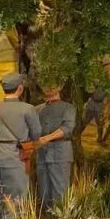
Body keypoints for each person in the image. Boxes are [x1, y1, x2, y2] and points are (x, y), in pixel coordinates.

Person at [0, 72, 43, 219]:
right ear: (20, 88)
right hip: (15, 157)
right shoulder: (27, 109)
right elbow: (36, 133)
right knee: (16, 196)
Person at [36, 84, 76, 212]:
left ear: (59, 87)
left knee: (60, 189)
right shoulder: (37, 109)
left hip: (60, 153)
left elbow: (67, 128)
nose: (48, 87)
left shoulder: (68, 108)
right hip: (42, 154)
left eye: (52, 84)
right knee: (43, 190)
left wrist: (46, 138)